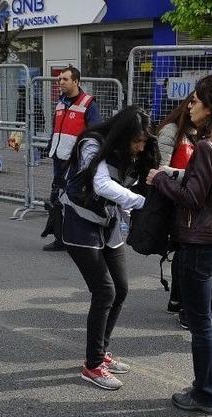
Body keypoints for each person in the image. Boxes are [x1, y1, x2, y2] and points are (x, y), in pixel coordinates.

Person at [147, 74, 212, 415]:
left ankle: (206, 393)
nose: (190, 106)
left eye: (196, 101)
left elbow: (192, 197)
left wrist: (161, 178)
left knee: (203, 321)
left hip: (200, 244)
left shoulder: (206, 147)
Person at [60, 106, 152, 391]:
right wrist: (141, 203)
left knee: (121, 288)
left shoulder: (129, 153)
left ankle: (102, 352)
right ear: (122, 135)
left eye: (143, 141)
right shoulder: (91, 144)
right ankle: (93, 364)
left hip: (108, 223)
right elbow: (100, 184)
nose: (139, 147)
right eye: (136, 141)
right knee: (105, 291)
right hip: (80, 222)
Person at [41, 66, 101, 252]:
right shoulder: (60, 103)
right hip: (59, 158)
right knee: (57, 198)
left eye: (65, 79)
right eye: (60, 79)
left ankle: (77, 239)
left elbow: (95, 133)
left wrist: (87, 159)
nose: (61, 83)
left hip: (76, 162)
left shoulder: (88, 104)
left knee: (73, 200)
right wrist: (50, 147)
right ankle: (61, 239)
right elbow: (57, 130)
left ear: (76, 81)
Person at [156, 94, 197, 321]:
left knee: (184, 252)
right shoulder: (171, 131)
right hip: (175, 199)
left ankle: (178, 298)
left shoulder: (199, 133)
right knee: (182, 252)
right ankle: (178, 300)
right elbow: (162, 170)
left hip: (190, 199)